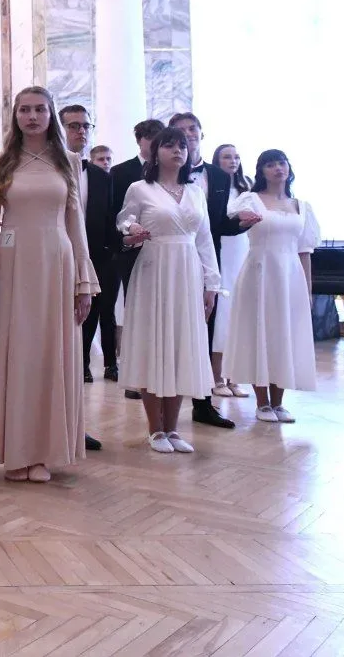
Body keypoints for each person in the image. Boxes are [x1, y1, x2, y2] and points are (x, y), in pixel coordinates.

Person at [0, 86, 97, 483]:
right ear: (15, 116)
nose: (32, 116)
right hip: (13, 264)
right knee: (17, 353)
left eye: (40, 109)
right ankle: (16, 451)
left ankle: (43, 452)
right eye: (24, 110)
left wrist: (84, 281)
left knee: (50, 353)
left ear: (50, 114)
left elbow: (76, 222)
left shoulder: (69, 161)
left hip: (58, 262)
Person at [117, 126, 220, 454]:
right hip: (154, 268)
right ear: (155, 151)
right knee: (154, 343)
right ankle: (155, 429)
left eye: (183, 146)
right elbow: (124, 220)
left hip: (187, 271)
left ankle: (173, 428)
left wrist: (212, 284)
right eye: (170, 145)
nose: (178, 151)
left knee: (181, 344)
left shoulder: (196, 191)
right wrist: (131, 228)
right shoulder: (140, 188)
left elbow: (205, 240)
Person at [169, 113, 253, 429]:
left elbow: (216, 227)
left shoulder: (218, 176)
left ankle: (203, 404)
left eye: (193, 129)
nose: (188, 134)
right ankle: (163, 405)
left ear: (201, 134)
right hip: (167, 261)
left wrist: (242, 223)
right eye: (181, 130)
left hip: (205, 261)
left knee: (203, 332)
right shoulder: (158, 172)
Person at [223, 150, 321, 423]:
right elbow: (229, 220)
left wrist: (307, 289)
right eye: (270, 164)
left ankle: (278, 402)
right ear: (261, 171)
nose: (278, 168)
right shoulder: (250, 199)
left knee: (284, 335)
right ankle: (262, 403)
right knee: (260, 332)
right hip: (260, 272)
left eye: (281, 163)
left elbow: (304, 251)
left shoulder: (302, 206)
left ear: (289, 167)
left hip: (290, 276)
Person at [61, 105, 119, 387]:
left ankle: (83, 363)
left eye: (85, 126)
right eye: (73, 126)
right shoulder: (48, 169)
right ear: (60, 129)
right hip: (57, 253)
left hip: (95, 255)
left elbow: (109, 218)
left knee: (92, 313)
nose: (81, 131)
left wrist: (117, 246)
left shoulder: (101, 176)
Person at [111, 119, 165, 400]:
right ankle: (135, 375)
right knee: (135, 312)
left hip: (167, 253)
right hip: (131, 252)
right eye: (149, 137)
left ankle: (161, 372)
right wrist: (127, 234)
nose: (154, 143)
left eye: (159, 137)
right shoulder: (122, 172)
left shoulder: (172, 173)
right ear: (139, 140)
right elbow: (116, 212)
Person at [209, 143, 252, 398]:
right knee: (222, 315)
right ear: (217, 160)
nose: (233, 161)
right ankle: (216, 377)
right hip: (222, 251)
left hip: (242, 252)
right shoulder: (214, 187)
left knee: (238, 315)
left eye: (236, 157)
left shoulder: (246, 187)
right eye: (227, 157)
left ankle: (234, 377)